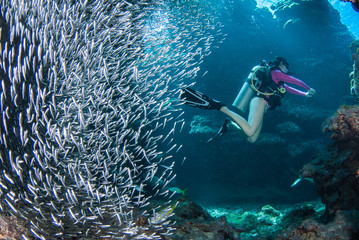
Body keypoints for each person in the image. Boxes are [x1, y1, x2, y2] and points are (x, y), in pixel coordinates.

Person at [180, 57, 316, 143]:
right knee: (250, 131)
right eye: (287, 66)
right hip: (259, 102)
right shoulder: (276, 72)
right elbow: (295, 81)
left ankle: (230, 124)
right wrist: (308, 87)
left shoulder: (278, 82)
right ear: (281, 64)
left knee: (252, 138)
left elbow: (290, 88)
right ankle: (221, 107)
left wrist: (305, 94)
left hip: (263, 106)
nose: (288, 69)